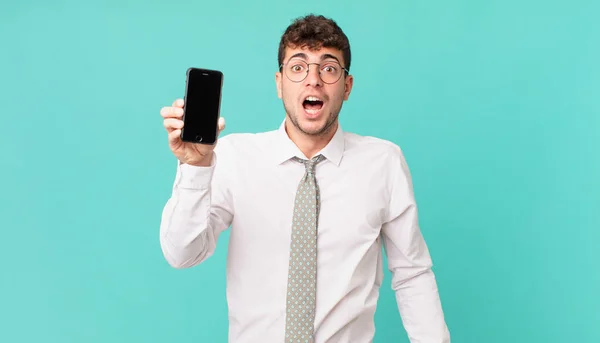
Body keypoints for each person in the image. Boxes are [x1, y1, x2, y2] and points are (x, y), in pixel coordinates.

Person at [159, 14, 450, 343]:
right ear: (280, 83)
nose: (313, 80)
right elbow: (182, 253)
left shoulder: (383, 162)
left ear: (347, 86)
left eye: (328, 68)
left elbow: (413, 274)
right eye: (298, 67)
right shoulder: (232, 157)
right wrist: (196, 168)